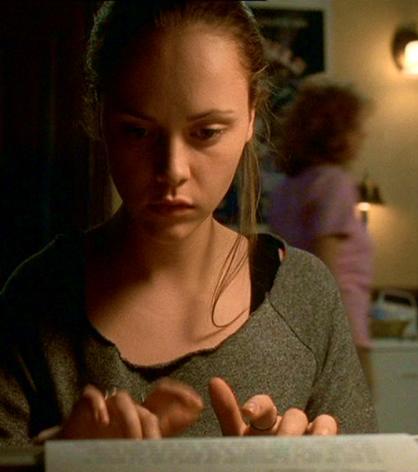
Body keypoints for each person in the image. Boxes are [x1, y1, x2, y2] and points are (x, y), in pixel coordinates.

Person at [0, 1, 377, 445]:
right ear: (99, 116)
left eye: (206, 132)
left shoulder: (305, 297)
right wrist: (62, 461)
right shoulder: (36, 297)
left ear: (251, 116)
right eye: (137, 131)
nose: (173, 169)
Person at [268, 81, 374, 384]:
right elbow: (326, 265)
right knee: (356, 407)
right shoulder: (334, 184)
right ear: (335, 134)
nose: (363, 135)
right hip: (339, 323)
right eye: (355, 128)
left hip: (293, 317)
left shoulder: (287, 188)